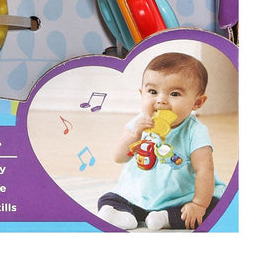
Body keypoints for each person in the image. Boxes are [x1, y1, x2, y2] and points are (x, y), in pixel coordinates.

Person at [97, 51, 226, 231]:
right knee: (108, 199)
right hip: (136, 196)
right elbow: (118, 157)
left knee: (215, 207)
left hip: (180, 198)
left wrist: (198, 204)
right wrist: (134, 135)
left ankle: (166, 218)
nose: (161, 100)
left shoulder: (195, 131)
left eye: (174, 94)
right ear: (141, 93)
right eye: (152, 92)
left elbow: (205, 170)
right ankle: (124, 215)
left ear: (197, 103)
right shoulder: (138, 123)